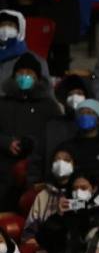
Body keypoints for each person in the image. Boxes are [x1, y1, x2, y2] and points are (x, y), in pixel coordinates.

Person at [0, 53, 62, 206]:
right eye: (20, 73)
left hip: (35, 171)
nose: (24, 76)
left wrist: (33, 143)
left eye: (29, 73)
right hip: (4, 169)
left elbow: (56, 136)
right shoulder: (3, 103)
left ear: (38, 78)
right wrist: (6, 143)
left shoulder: (49, 106)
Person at [0, 10, 50, 97]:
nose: (5, 29)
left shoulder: (36, 61)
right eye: (2, 25)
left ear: (20, 30)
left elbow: (46, 93)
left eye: (10, 25)